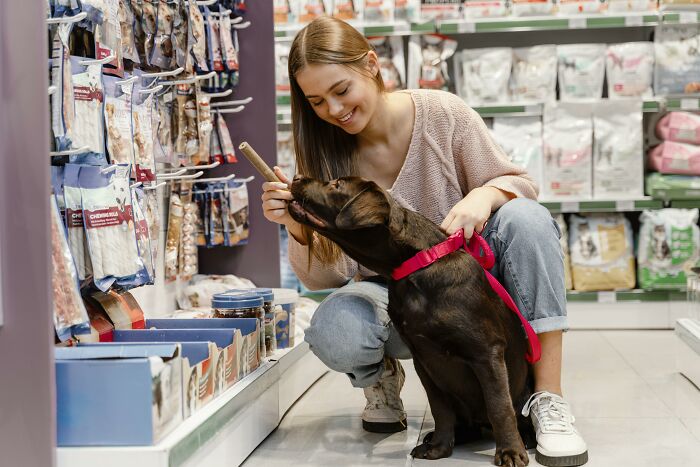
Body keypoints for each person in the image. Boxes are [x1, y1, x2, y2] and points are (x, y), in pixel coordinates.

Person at [261, 16, 587, 467]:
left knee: (526, 219)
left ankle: (547, 397)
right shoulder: (324, 151)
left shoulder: (442, 114)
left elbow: (522, 184)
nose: (334, 110)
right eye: (316, 101)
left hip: (468, 284)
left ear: (372, 65)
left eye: (341, 90)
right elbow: (326, 277)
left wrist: (485, 194)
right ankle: (381, 377)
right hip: (391, 291)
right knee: (336, 329)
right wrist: (299, 225)